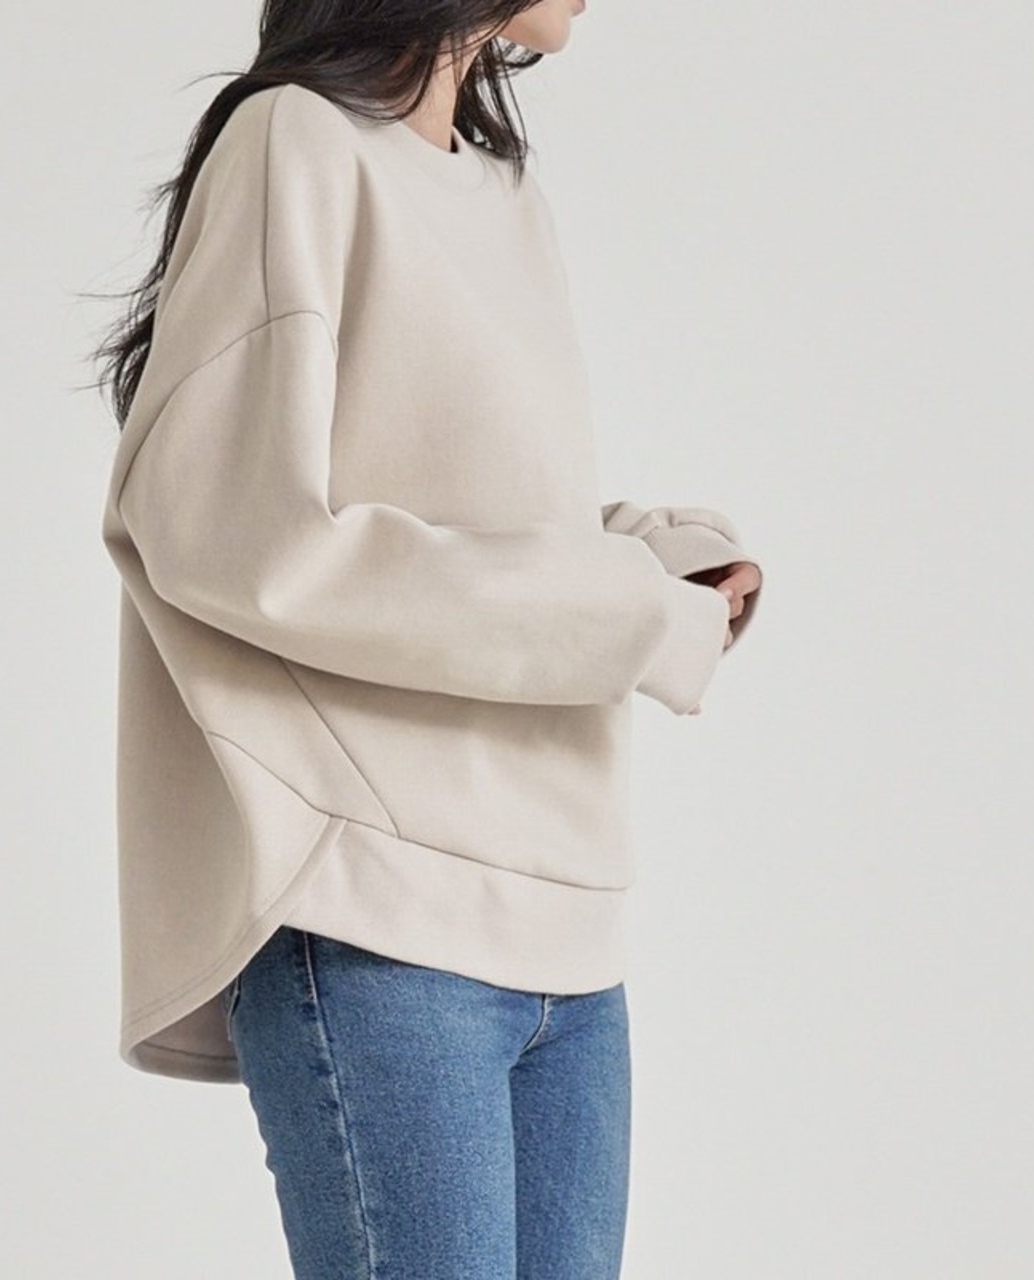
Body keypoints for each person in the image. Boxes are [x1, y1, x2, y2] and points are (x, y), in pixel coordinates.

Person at [90, 2, 763, 1276]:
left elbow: (488, 524)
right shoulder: (293, 141)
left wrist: (653, 552)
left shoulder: (501, 189)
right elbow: (234, 532)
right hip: (381, 908)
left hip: (566, 914)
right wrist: (627, 613)